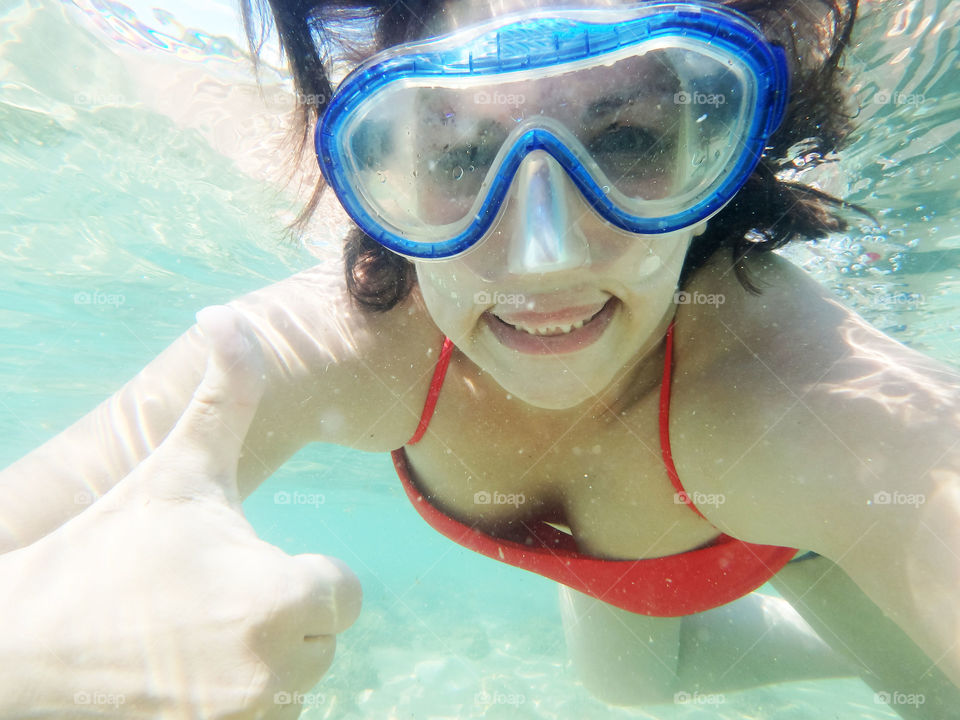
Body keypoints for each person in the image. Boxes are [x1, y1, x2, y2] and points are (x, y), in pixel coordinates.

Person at [0, 0, 958, 718]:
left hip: (793, 538)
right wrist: (29, 653)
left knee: (917, 695)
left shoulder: (817, 406)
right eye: (460, 157)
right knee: (627, 688)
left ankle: (843, 589)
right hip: (633, 578)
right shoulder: (330, 344)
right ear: (378, 176)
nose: (545, 257)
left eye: (626, 139)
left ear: (725, 150)